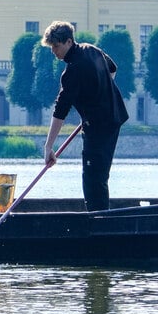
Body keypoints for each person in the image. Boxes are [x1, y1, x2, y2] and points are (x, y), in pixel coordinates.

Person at [42, 21, 129, 211]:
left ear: (68, 41)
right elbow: (112, 69)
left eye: (56, 46)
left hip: (100, 125)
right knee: (98, 173)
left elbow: (61, 109)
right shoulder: (92, 49)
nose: (53, 51)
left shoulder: (73, 70)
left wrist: (49, 146)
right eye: (51, 47)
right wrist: (97, 94)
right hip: (114, 117)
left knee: (93, 175)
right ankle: (99, 217)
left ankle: (98, 221)